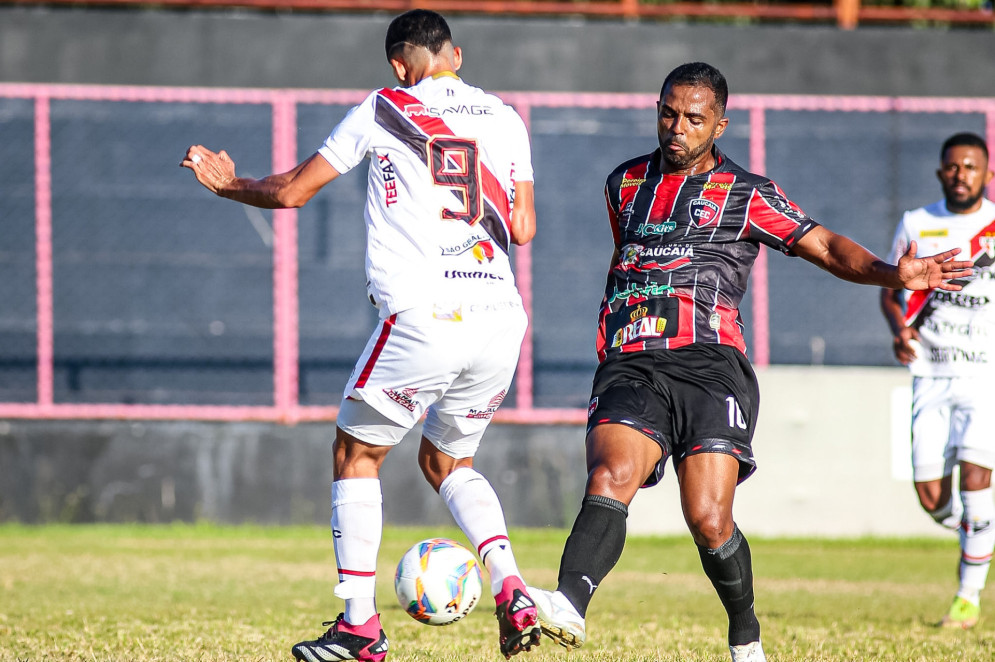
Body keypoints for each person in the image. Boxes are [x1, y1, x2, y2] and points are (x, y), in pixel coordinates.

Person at [525, 62, 973, 662]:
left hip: (711, 367)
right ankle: (569, 606)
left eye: (693, 118)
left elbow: (825, 246)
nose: (676, 128)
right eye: (668, 113)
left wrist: (894, 274)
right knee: (609, 478)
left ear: (719, 124)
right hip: (631, 361)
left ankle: (745, 631)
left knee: (708, 518)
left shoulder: (748, 194)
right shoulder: (623, 183)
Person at [180, 10, 541, 662]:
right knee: (447, 463)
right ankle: (510, 583)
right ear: (454, 55)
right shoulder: (506, 117)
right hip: (500, 317)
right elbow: (521, 228)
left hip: (427, 312)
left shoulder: (385, 106)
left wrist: (227, 183)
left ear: (400, 63)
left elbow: (291, 193)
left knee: (355, 455)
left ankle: (359, 627)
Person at [880, 132, 995, 630]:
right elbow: (891, 289)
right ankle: (981, 532)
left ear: (987, 174)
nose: (961, 174)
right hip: (930, 374)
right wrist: (900, 330)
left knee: (976, 480)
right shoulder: (917, 224)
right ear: (940, 172)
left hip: (984, 374)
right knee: (932, 497)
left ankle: (967, 598)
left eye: (971, 167)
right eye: (953, 166)